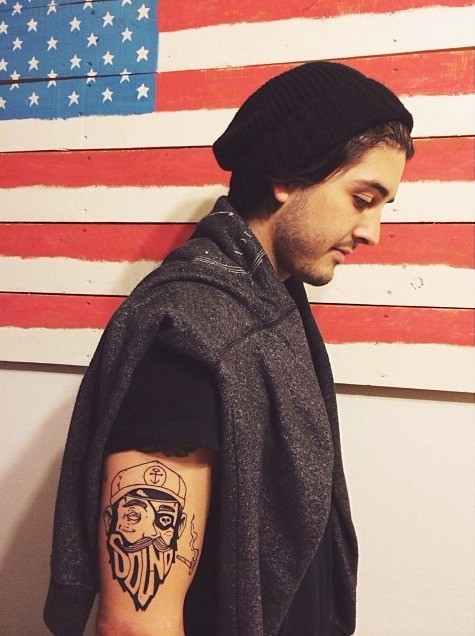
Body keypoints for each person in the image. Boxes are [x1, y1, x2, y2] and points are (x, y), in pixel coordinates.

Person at [44, 61, 414, 636]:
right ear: (287, 177)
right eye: (362, 198)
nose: (373, 232)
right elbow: (137, 622)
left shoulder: (272, 308)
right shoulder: (187, 338)